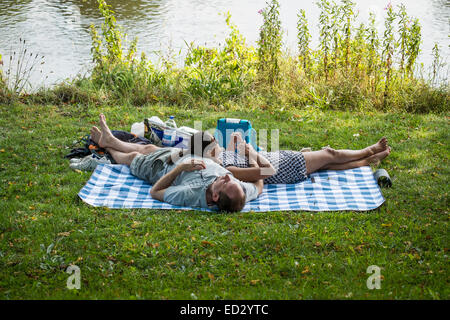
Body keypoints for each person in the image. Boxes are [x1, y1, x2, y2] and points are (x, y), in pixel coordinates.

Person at [89, 114, 264, 212]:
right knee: (149, 147)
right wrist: (253, 158)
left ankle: (109, 147)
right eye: (231, 179)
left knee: (134, 157)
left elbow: (155, 192)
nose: (227, 176)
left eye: (225, 182)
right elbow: (258, 185)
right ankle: (109, 141)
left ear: (216, 197)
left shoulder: (190, 194)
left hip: (162, 167)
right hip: (179, 156)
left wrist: (181, 168)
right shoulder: (239, 194)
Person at [184, 131, 391, 184]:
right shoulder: (228, 172)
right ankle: (368, 150)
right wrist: (251, 153)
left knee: (327, 166)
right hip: (285, 167)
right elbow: (261, 174)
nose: (218, 145)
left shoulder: (222, 158)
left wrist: (238, 145)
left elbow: (241, 157)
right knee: (330, 154)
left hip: (280, 159)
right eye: (214, 143)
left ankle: (367, 161)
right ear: (208, 151)